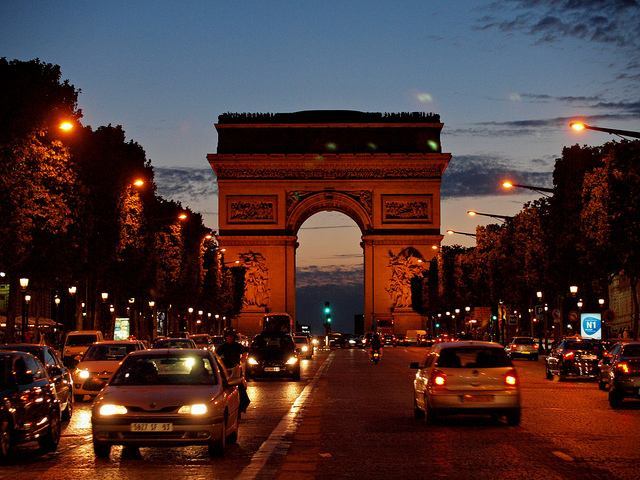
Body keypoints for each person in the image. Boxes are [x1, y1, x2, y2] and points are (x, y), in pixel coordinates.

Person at [216, 329, 250, 413]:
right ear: (226, 338)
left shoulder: (237, 346)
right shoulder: (223, 347)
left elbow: (245, 351)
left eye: (231, 337)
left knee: (240, 386)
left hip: (235, 369)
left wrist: (242, 359)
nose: (229, 338)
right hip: (226, 369)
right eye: (228, 337)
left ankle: (242, 404)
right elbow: (216, 356)